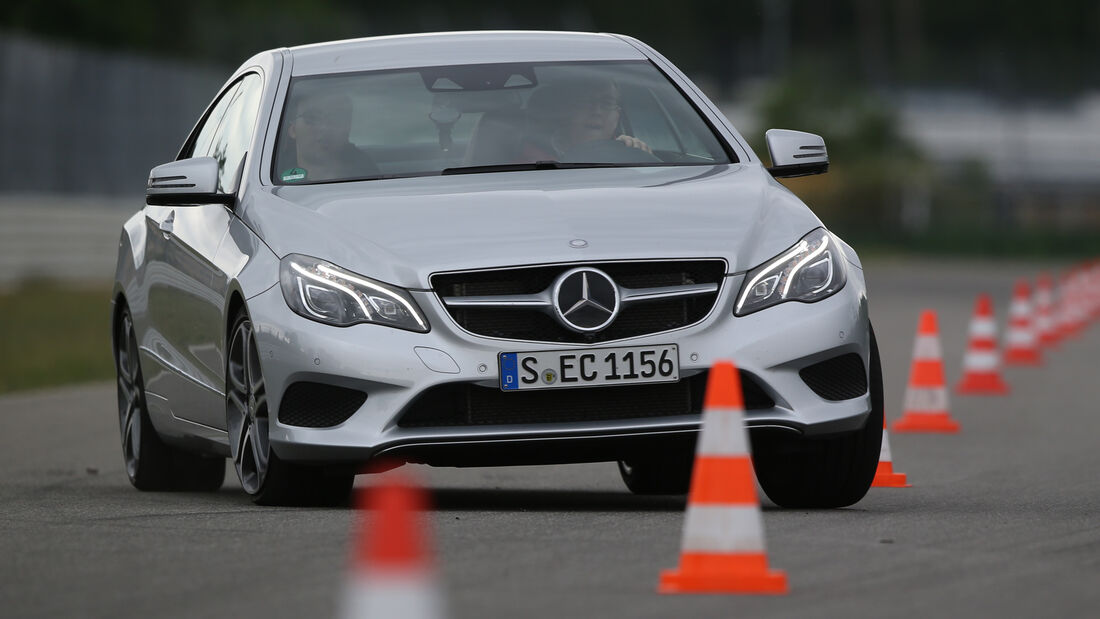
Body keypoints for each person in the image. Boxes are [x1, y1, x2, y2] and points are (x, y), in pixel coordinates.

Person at [520, 77, 653, 162]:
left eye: (607, 103)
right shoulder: (530, 160)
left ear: (617, 115)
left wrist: (640, 155)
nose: (597, 111)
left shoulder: (629, 150)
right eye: (586, 102)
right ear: (566, 110)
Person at [279, 92, 379, 182]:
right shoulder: (272, 172)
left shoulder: (370, 177)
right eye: (312, 118)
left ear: (348, 127)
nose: (324, 127)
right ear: (292, 129)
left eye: (335, 117)